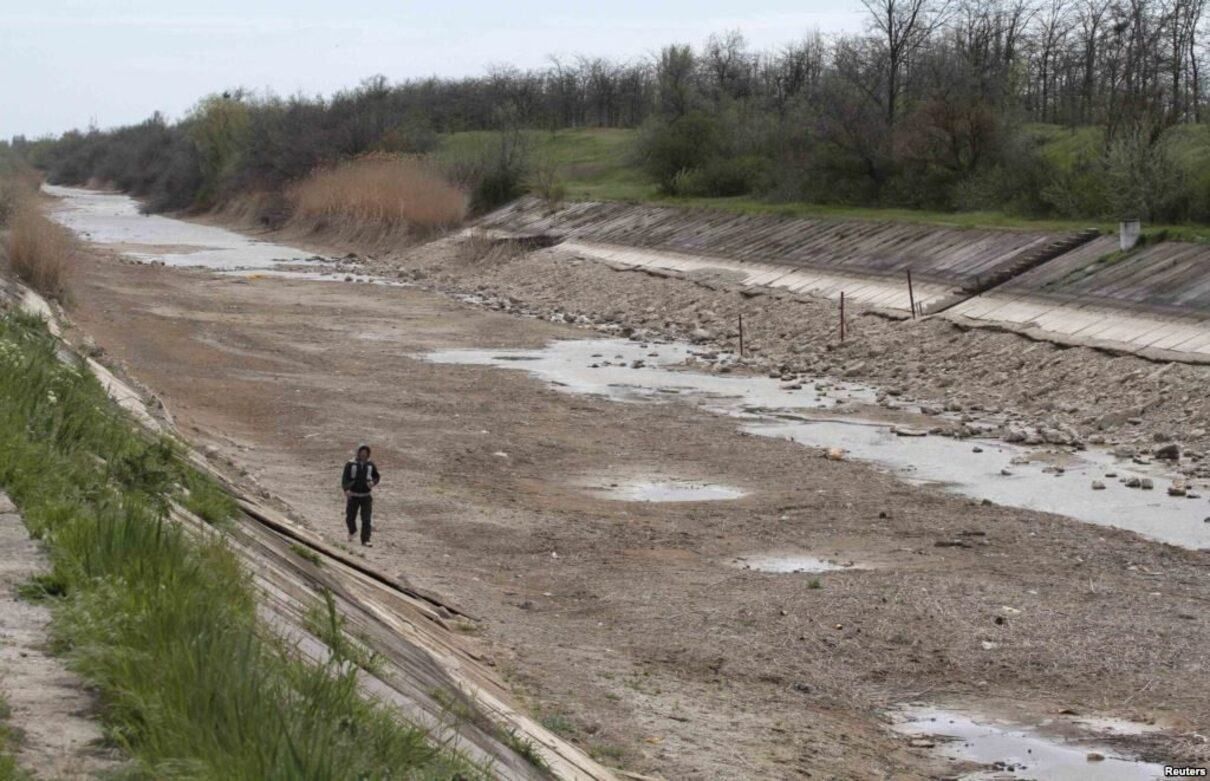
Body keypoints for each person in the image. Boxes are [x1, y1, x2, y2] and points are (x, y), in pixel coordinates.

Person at [341, 444, 380, 547]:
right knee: (350, 517)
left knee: (366, 519)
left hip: (366, 496)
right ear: (358, 453)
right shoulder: (350, 464)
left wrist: (373, 482)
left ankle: (366, 539)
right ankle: (352, 531)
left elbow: (376, 476)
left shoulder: (370, 465)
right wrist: (346, 489)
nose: (363, 455)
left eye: (365, 453)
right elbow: (345, 478)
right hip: (353, 496)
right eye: (362, 453)